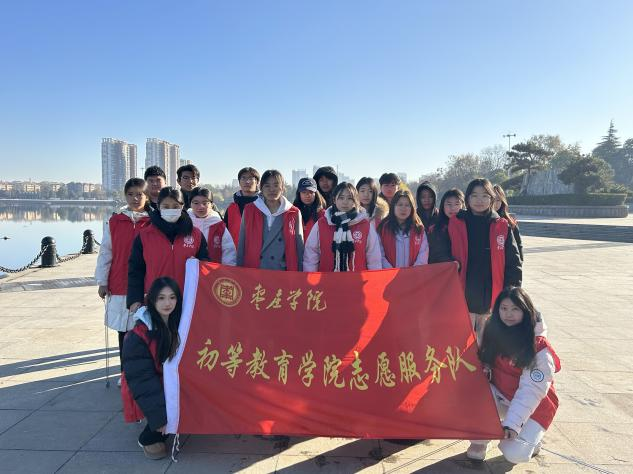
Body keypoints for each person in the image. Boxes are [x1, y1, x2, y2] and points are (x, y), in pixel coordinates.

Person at [466, 287, 560, 463]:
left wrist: (512, 424)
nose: (508, 314)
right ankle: (480, 441)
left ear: (526, 311)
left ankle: (533, 440)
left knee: (514, 454)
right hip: (502, 395)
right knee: (474, 392)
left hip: (536, 406)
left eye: (515, 309)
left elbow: (531, 390)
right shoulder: (492, 331)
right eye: (504, 308)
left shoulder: (539, 347)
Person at [434, 178, 522, 343]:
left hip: (491, 295)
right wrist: (450, 261)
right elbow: (440, 251)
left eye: (484, 196)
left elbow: (513, 262)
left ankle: (484, 360)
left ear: (491, 199)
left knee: (486, 342)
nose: (479, 200)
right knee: (460, 341)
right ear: (467, 198)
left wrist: (513, 292)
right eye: (474, 195)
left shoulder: (501, 225)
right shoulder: (456, 223)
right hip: (462, 292)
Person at [95, 178, 151, 387]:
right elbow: (106, 252)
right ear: (125, 196)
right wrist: (102, 280)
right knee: (124, 332)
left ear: (147, 196)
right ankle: (125, 373)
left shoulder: (153, 222)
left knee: (144, 331)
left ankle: (145, 373)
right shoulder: (115, 221)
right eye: (131, 194)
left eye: (140, 194)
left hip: (145, 284)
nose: (135, 198)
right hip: (119, 283)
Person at [121, 277, 182, 460]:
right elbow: (142, 380)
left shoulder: (178, 323)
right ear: (152, 300)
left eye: (172, 297)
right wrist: (159, 418)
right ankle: (147, 435)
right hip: (147, 387)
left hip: (165, 383)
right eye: (161, 298)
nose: (167, 303)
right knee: (159, 435)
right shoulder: (138, 336)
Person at [127, 187, 208, 313]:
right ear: (159, 207)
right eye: (166, 206)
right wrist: (134, 300)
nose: (171, 210)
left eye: (175, 206)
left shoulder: (195, 235)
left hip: (187, 301)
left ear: (182, 206)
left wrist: (199, 264)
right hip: (155, 300)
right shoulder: (144, 235)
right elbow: (135, 270)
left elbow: (206, 264)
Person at [303, 182, 382, 272]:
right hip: (326, 278)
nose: (345, 202)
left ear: (356, 201)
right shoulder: (322, 224)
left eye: (350, 198)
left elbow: (374, 259)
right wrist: (310, 277)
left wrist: (374, 279)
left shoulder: (365, 226)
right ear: (334, 199)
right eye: (341, 198)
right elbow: (311, 256)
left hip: (357, 279)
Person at [237, 170, 304, 270]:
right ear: (261, 188)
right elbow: (242, 243)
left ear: (283, 188)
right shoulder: (250, 210)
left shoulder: (293, 212)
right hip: (255, 270)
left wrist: (300, 273)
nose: (272, 190)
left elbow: (299, 247)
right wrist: (239, 270)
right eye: (267, 186)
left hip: (282, 272)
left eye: (276, 185)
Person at [378, 190, 429, 268]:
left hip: (414, 273)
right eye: (400, 205)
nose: (403, 208)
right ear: (393, 206)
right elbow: (379, 255)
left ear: (412, 208)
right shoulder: (383, 229)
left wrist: (412, 272)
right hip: (389, 273)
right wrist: (391, 271)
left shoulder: (419, 229)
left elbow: (423, 254)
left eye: (407, 205)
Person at [188, 187, 236, 265]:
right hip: (186, 270)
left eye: (205, 203)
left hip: (212, 271)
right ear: (190, 204)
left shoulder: (219, 226)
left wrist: (227, 270)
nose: (201, 207)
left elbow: (229, 252)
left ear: (211, 205)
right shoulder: (184, 223)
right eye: (196, 203)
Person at [223, 167, 260, 246]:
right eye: (243, 178)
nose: (247, 181)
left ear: (257, 182)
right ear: (239, 182)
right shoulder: (232, 207)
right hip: (234, 250)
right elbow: (224, 232)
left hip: (258, 251)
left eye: (250, 178)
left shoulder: (264, 205)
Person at [428, 188, 465, 264]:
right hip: (446, 268)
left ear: (463, 206)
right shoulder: (435, 228)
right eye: (449, 204)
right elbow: (435, 254)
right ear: (443, 206)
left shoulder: (468, 225)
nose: (452, 208)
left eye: (457, 204)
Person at [493, 184, 523, 262]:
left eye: (498, 200)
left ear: (502, 201)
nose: (495, 203)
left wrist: (519, 262)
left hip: (506, 264)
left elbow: (518, 245)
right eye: (492, 199)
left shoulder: (510, 222)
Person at [292, 177, 325, 242]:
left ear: (316, 194)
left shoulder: (323, 215)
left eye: (311, 192)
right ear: (299, 194)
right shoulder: (292, 213)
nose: (307, 195)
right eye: (304, 192)